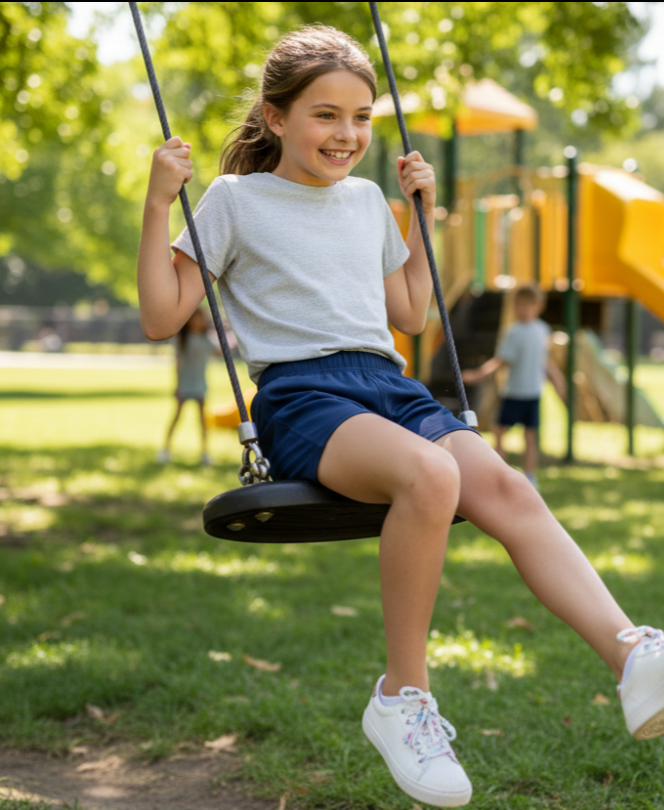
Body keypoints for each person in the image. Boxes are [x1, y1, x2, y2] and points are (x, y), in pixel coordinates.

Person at [136, 25, 664, 808]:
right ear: (276, 117)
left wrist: (417, 219)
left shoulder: (367, 203)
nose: (346, 134)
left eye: (361, 118)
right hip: (301, 397)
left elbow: (411, 315)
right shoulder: (233, 201)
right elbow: (161, 312)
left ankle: (632, 656)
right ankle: (402, 698)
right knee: (429, 473)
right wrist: (155, 201)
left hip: (387, 384)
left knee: (510, 490)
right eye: (325, 115)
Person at [462, 284, 566, 488]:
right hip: (513, 393)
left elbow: (546, 362)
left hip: (532, 394)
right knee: (499, 431)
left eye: (528, 304)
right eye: (519, 305)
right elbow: (501, 361)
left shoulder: (542, 330)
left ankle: (530, 477)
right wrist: (479, 374)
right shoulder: (513, 332)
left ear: (538, 306)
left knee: (530, 436)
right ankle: (497, 471)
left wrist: (558, 384)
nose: (523, 309)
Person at [157, 307, 219, 465]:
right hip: (185, 384)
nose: (198, 322)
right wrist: (178, 385)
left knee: (202, 419)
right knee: (177, 417)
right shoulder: (183, 340)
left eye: (201, 319)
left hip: (200, 384)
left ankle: (205, 452)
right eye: (195, 318)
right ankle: (165, 449)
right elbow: (178, 363)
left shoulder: (205, 340)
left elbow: (218, 351)